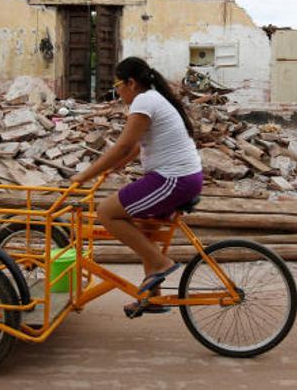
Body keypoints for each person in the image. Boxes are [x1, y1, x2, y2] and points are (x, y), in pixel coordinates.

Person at [71, 57, 203, 316]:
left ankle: (161, 263)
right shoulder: (153, 98)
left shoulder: (144, 101)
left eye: (118, 85)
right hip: (181, 177)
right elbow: (133, 148)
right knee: (145, 229)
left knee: (107, 212)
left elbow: (122, 145)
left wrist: (83, 176)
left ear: (131, 83)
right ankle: (152, 298)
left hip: (173, 179)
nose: (117, 92)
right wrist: (111, 168)